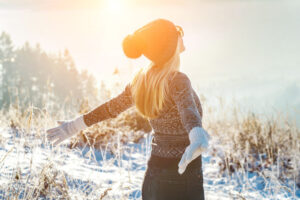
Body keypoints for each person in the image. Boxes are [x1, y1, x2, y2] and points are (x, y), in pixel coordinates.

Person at [46, 18, 210, 200]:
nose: (181, 35)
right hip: (183, 174)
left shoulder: (141, 81)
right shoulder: (177, 80)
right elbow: (188, 110)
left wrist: (73, 126)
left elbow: (110, 108)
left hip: (155, 173)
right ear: (168, 45)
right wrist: (196, 134)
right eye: (177, 32)